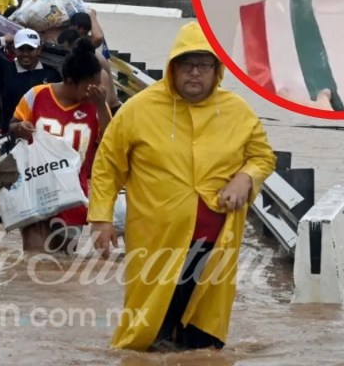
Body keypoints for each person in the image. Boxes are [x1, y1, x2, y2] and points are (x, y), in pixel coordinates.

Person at [89, 21, 277, 352]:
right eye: (187, 64)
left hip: (215, 243)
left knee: (203, 337)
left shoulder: (238, 112)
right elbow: (106, 166)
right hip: (156, 242)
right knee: (147, 332)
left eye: (204, 65)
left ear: (216, 70)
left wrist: (245, 177)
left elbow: (262, 157)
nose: (194, 73)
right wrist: (101, 219)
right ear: (172, 67)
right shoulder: (138, 109)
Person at [10, 38, 110, 253]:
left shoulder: (96, 107)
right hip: (34, 187)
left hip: (73, 194)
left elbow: (111, 143)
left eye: (99, 83)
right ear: (71, 82)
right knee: (34, 256)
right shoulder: (37, 95)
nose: (96, 89)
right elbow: (13, 125)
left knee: (64, 260)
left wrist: (102, 105)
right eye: (91, 85)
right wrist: (20, 127)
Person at [0, 28, 62, 139]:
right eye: (21, 49)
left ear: (39, 50)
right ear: (14, 49)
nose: (25, 54)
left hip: (45, 135)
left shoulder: (52, 74)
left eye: (30, 49)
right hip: (11, 135)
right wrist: (2, 40)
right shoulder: (4, 69)